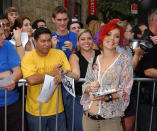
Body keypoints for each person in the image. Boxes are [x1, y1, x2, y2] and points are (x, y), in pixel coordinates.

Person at [80, 19, 133, 131]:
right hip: (88, 117)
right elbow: (85, 85)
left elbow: (125, 90)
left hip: (111, 119)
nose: (112, 39)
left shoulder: (124, 60)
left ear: (120, 40)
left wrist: (107, 97)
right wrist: (90, 88)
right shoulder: (94, 59)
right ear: (102, 36)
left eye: (117, 36)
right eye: (108, 34)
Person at [21, 27, 71, 131]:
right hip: (35, 111)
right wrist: (51, 73)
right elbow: (31, 80)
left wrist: (62, 74)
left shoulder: (59, 54)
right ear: (35, 41)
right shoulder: (28, 57)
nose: (47, 44)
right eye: (43, 41)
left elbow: (68, 72)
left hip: (57, 109)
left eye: (49, 40)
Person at [51, 6, 77, 131]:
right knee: (57, 115)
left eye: (65, 19)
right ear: (53, 20)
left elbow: (83, 57)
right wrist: (53, 49)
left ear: (68, 20)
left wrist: (74, 50)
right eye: (59, 20)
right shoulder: (50, 38)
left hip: (71, 80)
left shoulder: (75, 36)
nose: (62, 23)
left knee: (71, 115)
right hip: (55, 81)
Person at [69, 29, 101, 131]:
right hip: (81, 99)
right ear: (78, 42)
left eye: (89, 39)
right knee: (82, 127)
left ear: (93, 40)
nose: (86, 42)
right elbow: (76, 75)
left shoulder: (100, 54)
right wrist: (67, 73)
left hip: (100, 98)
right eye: (83, 39)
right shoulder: (75, 56)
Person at [135, 9, 157, 131]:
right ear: (155, 21)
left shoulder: (154, 39)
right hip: (148, 96)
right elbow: (148, 71)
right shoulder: (147, 41)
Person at [0, 23, 23, 131]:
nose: (4, 37)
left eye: (3, 33)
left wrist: (12, 80)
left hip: (11, 103)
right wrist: (2, 75)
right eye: (0, 35)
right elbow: (8, 73)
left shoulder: (7, 45)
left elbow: (18, 71)